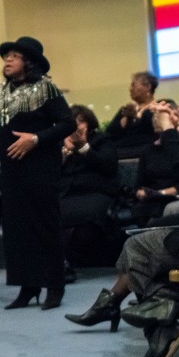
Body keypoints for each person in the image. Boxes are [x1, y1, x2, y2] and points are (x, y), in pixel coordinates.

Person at [66, 103, 179, 357]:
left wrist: (170, 132)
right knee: (142, 241)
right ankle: (160, 314)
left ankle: (162, 315)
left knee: (135, 248)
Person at [0, 36, 75, 310]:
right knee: (17, 230)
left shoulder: (46, 89)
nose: (7, 59)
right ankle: (28, 287)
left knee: (45, 226)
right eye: (7, 56)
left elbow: (68, 124)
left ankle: (55, 285)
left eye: (15, 56)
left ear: (28, 62)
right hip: (11, 171)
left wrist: (37, 139)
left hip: (41, 168)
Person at [59, 105, 118, 277]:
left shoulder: (102, 140)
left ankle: (67, 260)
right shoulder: (61, 143)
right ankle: (60, 262)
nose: (76, 128)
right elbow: (51, 171)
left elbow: (108, 164)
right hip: (67, 193)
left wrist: (84, 148)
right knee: (51, 212)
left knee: (89, 215)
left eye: (80, 122)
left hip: (95, 192)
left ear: (89, 124)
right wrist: (66, 151)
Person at [106, 72, 159, 159]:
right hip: (120, 154)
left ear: (148, 87)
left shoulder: (158, 109)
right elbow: (108, 134)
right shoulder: (125, 111)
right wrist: (123, 122)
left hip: (147, 154)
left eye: (134, 85)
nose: (130, 89)